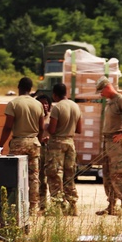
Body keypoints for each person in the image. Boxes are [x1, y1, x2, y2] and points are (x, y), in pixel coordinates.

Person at [0, 77, 45, 215]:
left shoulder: (13, 103)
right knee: (34, 176)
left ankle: (17, 205)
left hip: (18, 142)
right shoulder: (38, 104)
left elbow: (7, 127)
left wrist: (0, 145)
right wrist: (39, 141)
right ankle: (33, 207)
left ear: (19, 87)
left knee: (16, 175)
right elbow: (41, 127)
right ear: (31, 89)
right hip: (33, 142)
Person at [95, 77, 122, 216]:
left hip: (116, 143)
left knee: (118, 174)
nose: (100, 94)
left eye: (101, 91)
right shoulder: (110, 101)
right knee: (107, 174)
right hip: (108, 141)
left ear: (107, 87)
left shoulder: (120, 99)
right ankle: (111, 206)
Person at [43, 83, 82, 215]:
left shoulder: (57, 108)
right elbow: (79, 129)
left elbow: (52, 130)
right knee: (69, 175)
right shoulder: (75, 106)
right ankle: (72, 205)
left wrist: (46, 126)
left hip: (57, 144)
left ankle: (57, 206)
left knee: (54, 174)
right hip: (70, 143)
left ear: (54, 95)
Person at [36, 94, 53, 205]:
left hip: (51, 150)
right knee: (40, 177)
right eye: (42, 103)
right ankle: (42, 203)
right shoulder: (36, 117)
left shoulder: (52, 116)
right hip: (39, 149)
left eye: (46, 103)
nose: (45, 106)